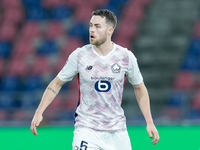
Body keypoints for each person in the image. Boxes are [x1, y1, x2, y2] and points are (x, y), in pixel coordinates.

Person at [30, 9, 159, 150]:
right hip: (86, 129)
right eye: (91, 25)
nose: (92, 30)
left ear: (110, 30)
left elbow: (139, 88)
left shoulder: (126, 57)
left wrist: (149, 122)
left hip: (117, 131)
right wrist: (39, 112)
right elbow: (56, 83)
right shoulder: (79, 55)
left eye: (97, 26)